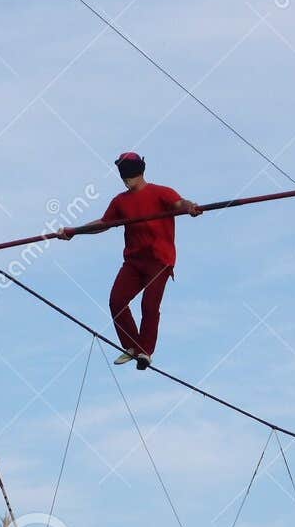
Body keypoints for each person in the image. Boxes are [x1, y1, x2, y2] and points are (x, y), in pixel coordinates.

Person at [61, 152, 200, 370]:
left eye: (129, 174)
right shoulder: (120, 201)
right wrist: (75, 231)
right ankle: (132, 346)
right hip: (134, 261)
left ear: (141, 171)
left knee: (149, 304)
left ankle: (145, 350)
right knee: (116, 301)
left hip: (159, 258)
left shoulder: (161, 192)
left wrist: (190, 207)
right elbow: (104, 224)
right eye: (122, 174)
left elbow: (179, 203)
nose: (126, 179)